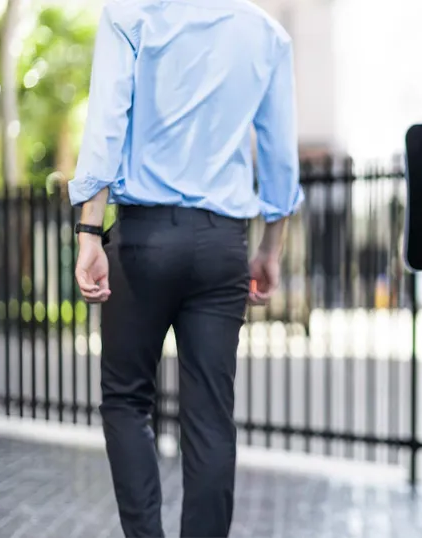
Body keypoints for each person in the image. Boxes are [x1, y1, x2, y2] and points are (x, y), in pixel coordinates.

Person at [69, 1, 302, 536]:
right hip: (223, 244)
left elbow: (107, 123)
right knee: (211, 418)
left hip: (145, 240)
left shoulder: (130, 15)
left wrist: (88, 231)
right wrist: (271, 247)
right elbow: (279, 155)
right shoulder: (267, 35)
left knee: (127, 400)